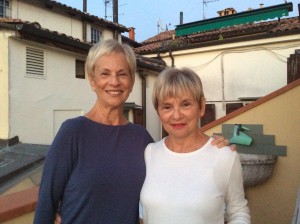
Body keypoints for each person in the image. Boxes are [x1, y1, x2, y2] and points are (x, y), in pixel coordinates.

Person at [34, 39, 232, 224]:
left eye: (122, 73)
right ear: (92, 81)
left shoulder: (141, 139)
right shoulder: (73, 133)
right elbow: (46, 203)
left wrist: (211, 147)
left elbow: (178, 170)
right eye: (105, 73)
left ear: (131, 82)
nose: (114, 82)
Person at [139, 67, 250, 224]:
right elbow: (145, 213)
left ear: (201, 107)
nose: (176, 115)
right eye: (167, 106)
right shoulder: (150, 153)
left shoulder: (224, 156)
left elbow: (238, 212)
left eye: (185, 104)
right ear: (158, 112)